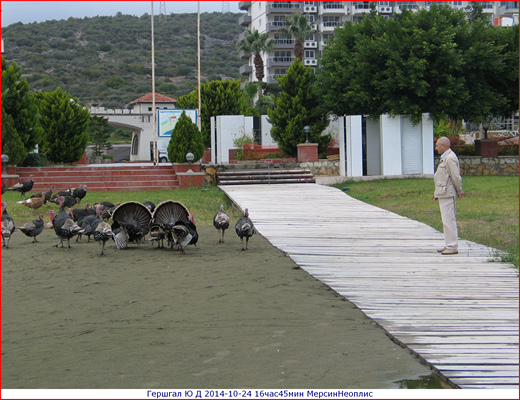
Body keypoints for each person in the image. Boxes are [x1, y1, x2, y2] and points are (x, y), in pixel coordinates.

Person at [431, 136, 464, 255]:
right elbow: (441, 177)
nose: (436, 148)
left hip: (448, 193)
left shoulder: (450, 158)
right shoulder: (445, 158)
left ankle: (452, 246)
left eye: (437, 145)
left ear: (443, 146)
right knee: (445, 220)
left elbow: (455, 177)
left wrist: (459, 191)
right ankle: (448, 243)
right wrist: (436, 193)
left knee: (449, 219)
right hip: (443, 193)